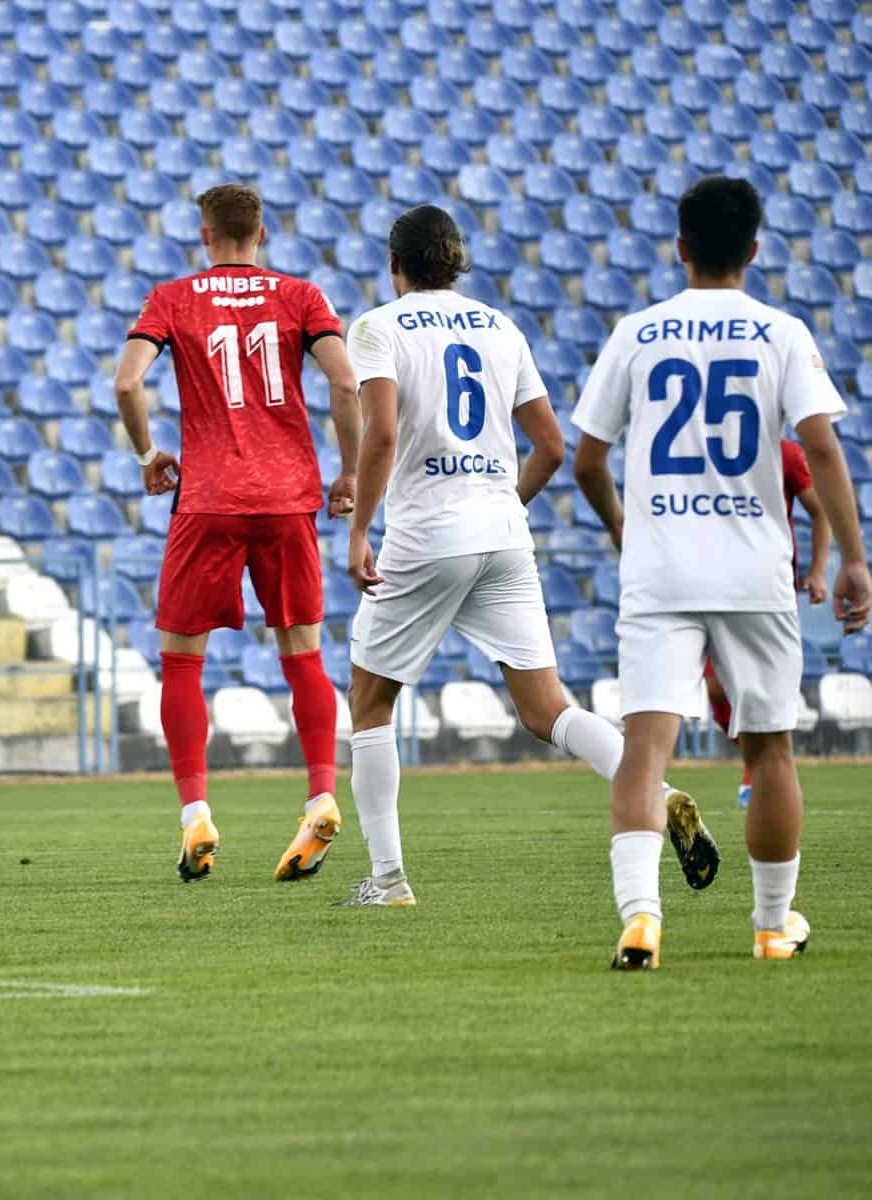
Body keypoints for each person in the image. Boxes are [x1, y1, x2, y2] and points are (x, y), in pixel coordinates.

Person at [338, 205, 717, 908]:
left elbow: (383, 433)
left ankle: (388, 879)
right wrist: (505, 502)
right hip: (505, 533)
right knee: (547, 708)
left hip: (426, 534)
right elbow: (551, 445)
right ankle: (656, 791)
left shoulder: (378, 328)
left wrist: (361, 530)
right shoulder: (500, 326)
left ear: (395, 266)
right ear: (456, 264)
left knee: (370, 702)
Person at [572, 175, 871, 969]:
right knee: (770, 750)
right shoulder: (780, 333)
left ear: (680, 248)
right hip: (752, 569)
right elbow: (825, 447)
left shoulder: (638, 332)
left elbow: (588, 456)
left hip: (662, 566)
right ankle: (773, 927)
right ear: (754, 250)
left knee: (645, 751)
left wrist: (619, 522)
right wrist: (852, 555)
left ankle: (641, 920)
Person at [114, 182, 362, 883]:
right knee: (303, 653)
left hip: (210, 497)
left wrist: (147, 457)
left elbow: (128, 384)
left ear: (204, 234)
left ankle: (196, 812)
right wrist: (346, 475)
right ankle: (319, 794)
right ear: (263, 233)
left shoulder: (173, 297)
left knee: (182, 660)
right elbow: (345, 385)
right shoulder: (302, 296)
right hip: (288, 497)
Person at [704, 436, 830, 808]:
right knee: (714, 687)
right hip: (717, 584)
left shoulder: (786, 452)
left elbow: (820, 510)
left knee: (765, 686)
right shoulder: (708, 448)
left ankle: (760, 769)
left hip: (771, 588)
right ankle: (752, 758)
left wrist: (818, 572)